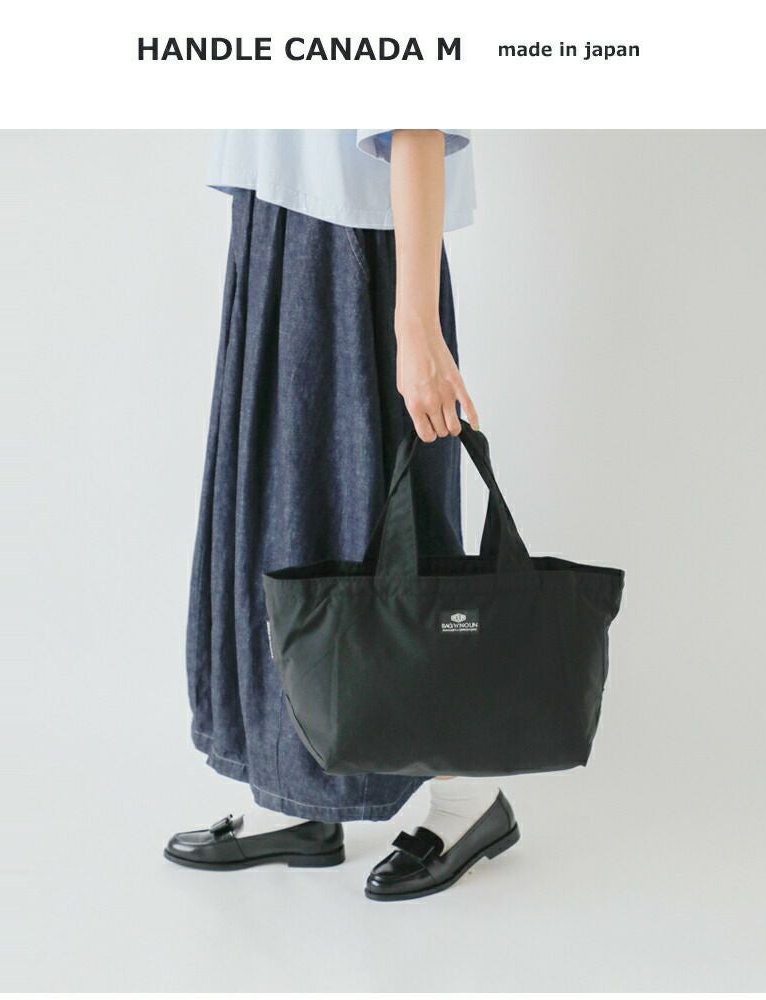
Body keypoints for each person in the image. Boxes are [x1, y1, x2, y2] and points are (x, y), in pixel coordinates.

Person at [164, 130, 519, 900]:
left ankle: (467, 798)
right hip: (276, 223)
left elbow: (414, 115)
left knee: (386, 542)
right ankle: (299, 790)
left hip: (356, 243)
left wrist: (416, 322)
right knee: (278, 525)